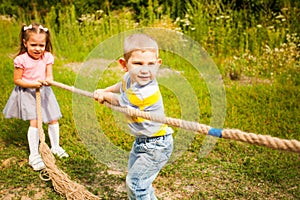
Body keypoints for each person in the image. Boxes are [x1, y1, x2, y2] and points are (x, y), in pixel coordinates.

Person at [94, 33, 173, 199]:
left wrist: (105, 96)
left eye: (151, 64)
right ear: (124, 65)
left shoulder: (146, 91)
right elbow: (120, 86)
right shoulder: (129, 77)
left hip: (156, 145)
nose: (145, 69)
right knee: (140, 182)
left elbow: (120, 101)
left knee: (136, 185)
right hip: (142, 141)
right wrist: (105, 90)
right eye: (138, 63)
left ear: (158, 64)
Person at [2, 22, 68, 171]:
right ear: (25, 43)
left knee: (53, 118)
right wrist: (33, 84)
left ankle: (55, 146)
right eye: (33, 45)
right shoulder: (21, 60)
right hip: (28, 93)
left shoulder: (47, 57)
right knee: (35, 122)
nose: (38, 49)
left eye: (41, 45)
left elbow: (49, 75)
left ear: (45, 44)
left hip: (45, 92)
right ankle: (34, 155)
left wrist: (48, 81)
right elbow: (17, 80)